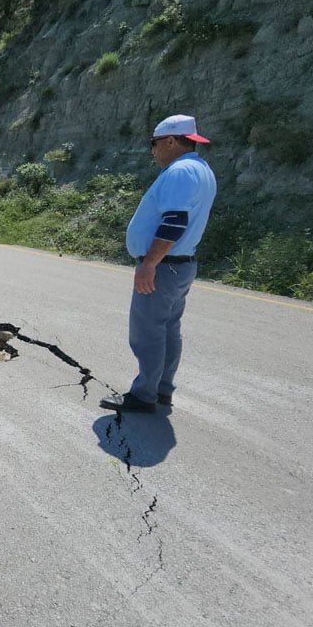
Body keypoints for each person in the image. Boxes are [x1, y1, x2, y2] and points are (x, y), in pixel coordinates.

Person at [100, 114, 217, 414]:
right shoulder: (201, 169)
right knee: (167, 329)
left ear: (170, 141)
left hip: (164, 267)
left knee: (148, 331)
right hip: (180, 265)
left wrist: (149, 263)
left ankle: (143, 395)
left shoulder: (181, 172)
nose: (152, 151)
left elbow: (174, 221)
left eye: (153, 144)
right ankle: (162, 389)